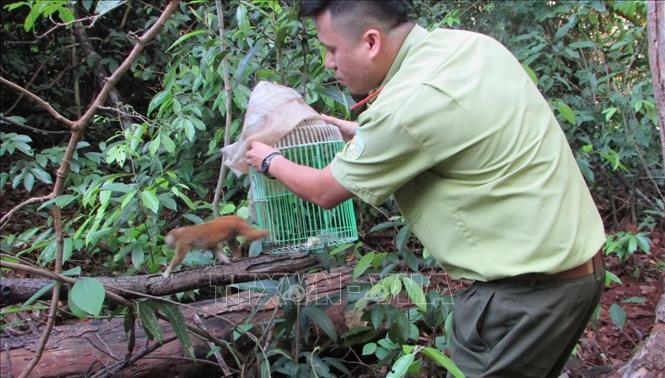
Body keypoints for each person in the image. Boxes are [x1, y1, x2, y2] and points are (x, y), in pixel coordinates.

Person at [245, 1, 606, 376]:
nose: (327, 62)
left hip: (530, 294)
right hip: (570, 268)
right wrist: (359, 132)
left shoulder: (406, 107)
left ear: (371, 42)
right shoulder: (468, 46)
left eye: (332, 49)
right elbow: (450, 130)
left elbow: (324, 190)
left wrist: (269, 159)